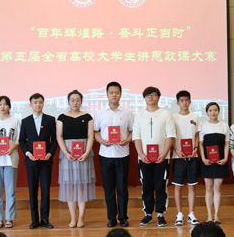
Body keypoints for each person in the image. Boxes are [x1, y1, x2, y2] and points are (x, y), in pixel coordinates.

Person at [132, 86, 176, 227]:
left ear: (158, 97)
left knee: (161, 186)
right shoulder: (139, 115)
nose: (150, 97)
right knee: (146, 186)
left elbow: (170, 136)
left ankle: (161, 214)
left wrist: (164, 154)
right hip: (144, 158)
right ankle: (148, 214)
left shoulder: (166, 114)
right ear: (144, 98)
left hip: (161, 158)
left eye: (153, 94)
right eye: (148, 95)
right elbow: (136, 136)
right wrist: (141, 154)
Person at [94, 81, 134, 228]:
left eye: (117, 92)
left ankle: (123, 217)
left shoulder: (127, 113)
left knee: (122, 188)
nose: (114, 95)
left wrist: (127, 140)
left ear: (120, 94)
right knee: (109, 188)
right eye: (111, 92)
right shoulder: (100, 113)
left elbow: (132, 132)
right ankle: (111, 217)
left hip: (122, 154)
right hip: (105, 155)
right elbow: (95, 132)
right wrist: (102, 141)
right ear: (107, 94)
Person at [56, 90, 96, 228]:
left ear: (81, 101)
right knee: (70, 187)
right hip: (68, 155)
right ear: (68, 102)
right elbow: (59, 136)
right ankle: (73, 218)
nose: (75, 102)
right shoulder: (62, 117)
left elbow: (90, 136)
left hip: (84, 154)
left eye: (78, 100)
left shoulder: (88, 117)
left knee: (82, 186)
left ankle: (81, 218)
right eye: (72, 100)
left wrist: (86, 152)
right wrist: (66, 153)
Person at [19, 93, 58, 229]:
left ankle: (45, 219)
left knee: (45, 190)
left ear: (43, 104)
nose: (38, 105)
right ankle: (34, 220)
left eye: (40, 102)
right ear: (31, 104)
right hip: (31, 161)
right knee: (33, 190)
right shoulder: (25, 121)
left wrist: (50, 153)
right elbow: (22, 141)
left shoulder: (50, 120)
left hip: (46, 161)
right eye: (35, 102)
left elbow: (55, 140)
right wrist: (28, 153)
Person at [0, 95, 21, 229]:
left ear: (9, 107)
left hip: (10, 160)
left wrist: (12, 148)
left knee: (10, 191)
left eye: (5, 104)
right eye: (0, 104)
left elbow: (17, 140)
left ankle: (10, 218)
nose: (2, 107)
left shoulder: (15, 121)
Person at [171, 90, 201, 226]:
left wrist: (196, 148)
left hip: (192, 156)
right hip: (178, 157)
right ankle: (179, 214)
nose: (184, 103)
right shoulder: (173, 117)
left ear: (190, 102)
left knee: (192, 186)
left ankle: (191, 213)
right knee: (178, 187)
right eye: (182, 100)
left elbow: (197, 135)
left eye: (186, 100)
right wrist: (176, 150)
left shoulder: (195, 116)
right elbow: (171, 136)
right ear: (178, 102)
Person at [199, 102, 230, 224]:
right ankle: (209, 216)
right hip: (207, 161)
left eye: (215, 110)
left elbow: (227, 144)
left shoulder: (224, 126)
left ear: (219, 111)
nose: (213, 112)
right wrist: (203, 158)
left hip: (220, 161)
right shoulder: (203, 126)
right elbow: (201, 144)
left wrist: (226, 158)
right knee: (209, 188)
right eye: (210, 110)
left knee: (218, 187)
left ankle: (217, 215)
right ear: (207, 112)